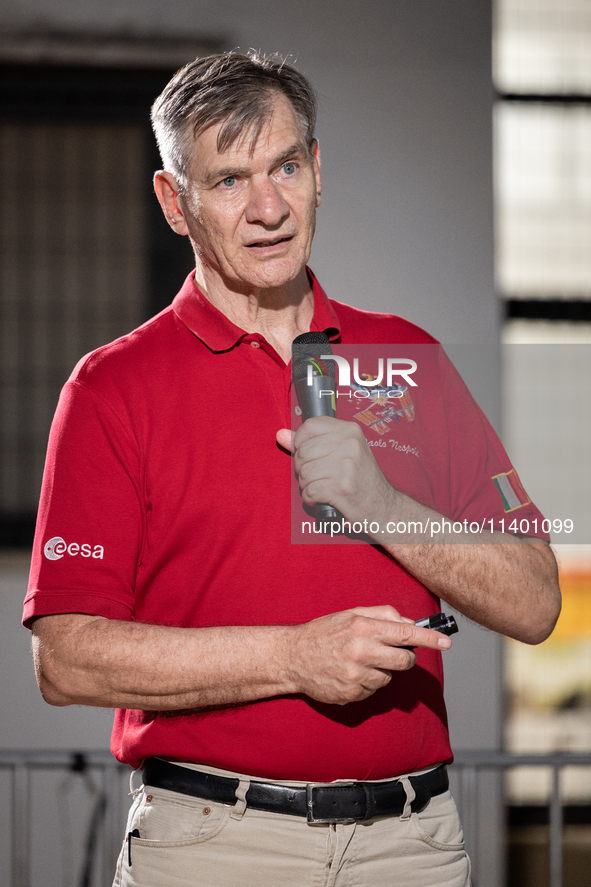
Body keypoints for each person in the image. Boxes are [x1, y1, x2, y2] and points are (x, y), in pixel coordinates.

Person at [24, 51, 560, 887]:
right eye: (230, 179)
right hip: (215, 845)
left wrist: (380, 500)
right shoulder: (112, 387)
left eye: (285, 165)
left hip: (412, 844)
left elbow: (534, 602)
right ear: (175, 202)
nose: (269, 207)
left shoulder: (404, 358)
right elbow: (68, 660)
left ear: (317, 169)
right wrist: (291, 657)